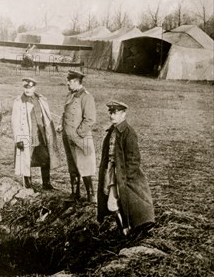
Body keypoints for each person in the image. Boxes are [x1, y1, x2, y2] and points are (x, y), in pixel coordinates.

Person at [97, 101, 155, 236]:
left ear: (123, 114)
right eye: (110, 112)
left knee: (128, 202)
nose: (112, 116)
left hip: (123, 175)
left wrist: (125, 176)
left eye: (115, 113)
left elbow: (134, 159)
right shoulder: (112, 131)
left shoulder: (128, 133)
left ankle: (130, 230)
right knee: (112, 202)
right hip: (112, 171)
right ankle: (124, 230)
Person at [11, 78, 60, 190]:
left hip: (40, 135)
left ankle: (46, 183)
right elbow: (15, 121)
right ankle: (28, 184)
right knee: (26, 159)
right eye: (26, 87)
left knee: (46, 157)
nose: (28, 90)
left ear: (34, 88)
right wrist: (18, 138)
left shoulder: (40, 99)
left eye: (30, 87)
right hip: (26, 135)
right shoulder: (19, 101)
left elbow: (46, 117)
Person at [56, 70, 97, 203]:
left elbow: (90, 119)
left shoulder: (86, 97)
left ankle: (91, 196)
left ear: (76, 82)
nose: (67, 83)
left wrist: (78, 133)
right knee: (72, 165)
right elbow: (65, 113)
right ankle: (75, 193)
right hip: (68, 137)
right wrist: (61, 126)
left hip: (81, 138)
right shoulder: (70, 95)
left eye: (70, 81)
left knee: (85, 166)